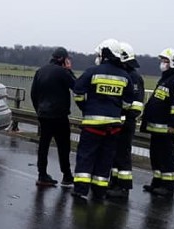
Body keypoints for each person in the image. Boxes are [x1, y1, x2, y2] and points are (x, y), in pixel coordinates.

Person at [71, 39, 135, 201]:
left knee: (86, 156)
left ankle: (81, 190)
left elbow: (78, 91)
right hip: (113, 127)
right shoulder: (125, 76)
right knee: (105, 159)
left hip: (92, 126)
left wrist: (85, 108)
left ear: (104, 53)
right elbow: (128, 103)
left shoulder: (92, 72)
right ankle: (99, 191)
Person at [140, 48, 174, 198]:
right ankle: (157, 182)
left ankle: (169, 186)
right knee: (156, 155)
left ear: (173, 63)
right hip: (157, 127)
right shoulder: (166, 79)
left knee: (166, 156)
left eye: (165, 61)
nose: (162, 64)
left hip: (167, 128)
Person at [30, 47, 76, 187]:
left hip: (44, 114)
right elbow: (76, 86)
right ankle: (67, 175)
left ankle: (42, 174)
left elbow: (33, 94)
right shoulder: (62, 72)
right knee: (63, 146)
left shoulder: (40, 71)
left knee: (44, 145)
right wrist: (69, 70)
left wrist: (39, 110)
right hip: (59, 115)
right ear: (62, 59)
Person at [107, 42, 145, 199]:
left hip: (126, 122)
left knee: (123, 154)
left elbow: (136, 104)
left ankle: (123, 187)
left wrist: (126, 118)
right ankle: (114, 182)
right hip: (118, 121)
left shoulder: (134, 77)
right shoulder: (123, 74)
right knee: (115, 153)